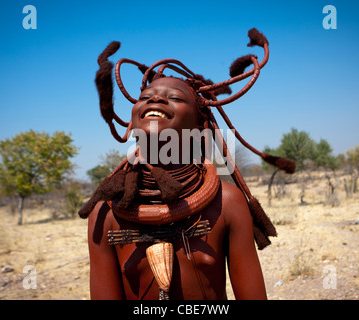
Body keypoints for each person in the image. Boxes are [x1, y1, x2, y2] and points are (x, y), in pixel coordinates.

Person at [79, 28, 295, 300]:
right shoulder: (105, 212)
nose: (155, 98)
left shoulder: (227, 202)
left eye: (176, 98)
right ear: (132, 120)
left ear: (200, 124)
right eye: (145, 97)